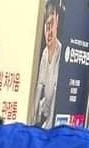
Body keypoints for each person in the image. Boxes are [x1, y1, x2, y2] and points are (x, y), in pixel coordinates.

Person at [33, 0, 62, 128]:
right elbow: (40, 87)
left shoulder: (60, 52)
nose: (49, 31)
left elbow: (52, 93)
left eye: (51, 24)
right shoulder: (44, 54)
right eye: (47, 26)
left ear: (57, 22)